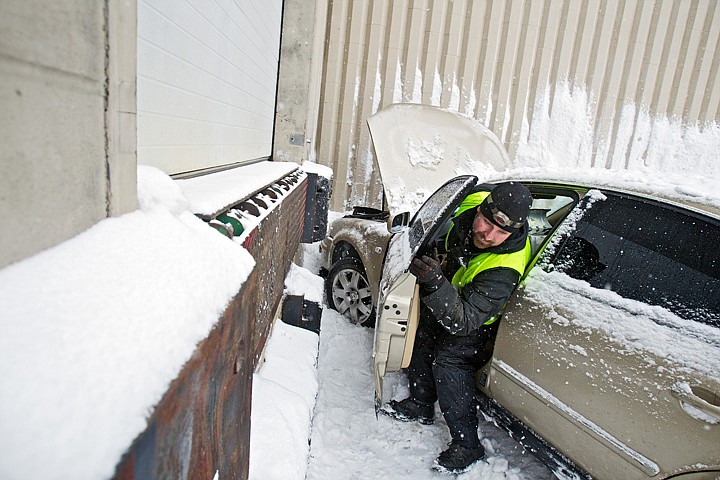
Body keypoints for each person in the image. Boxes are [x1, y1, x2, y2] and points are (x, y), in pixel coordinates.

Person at [381, 181, 534, 474]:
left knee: (449, 361)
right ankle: (422, 403)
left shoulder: (505, 267)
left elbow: (462, 321)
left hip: (476, 321)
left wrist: (436, 281)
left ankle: (467, 445)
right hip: (457, 292)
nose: (488, 235)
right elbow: (466, 193)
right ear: (480, 208)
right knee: (424, 330)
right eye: (486, 222)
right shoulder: (472, 200)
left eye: (501, 232)